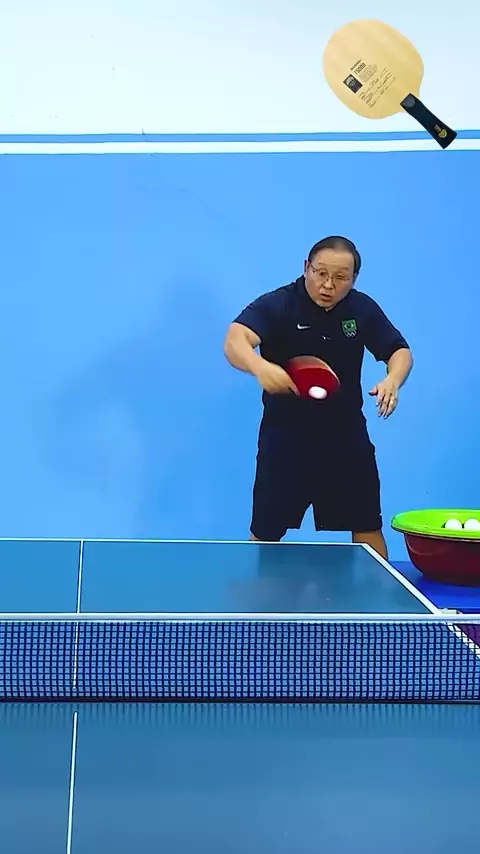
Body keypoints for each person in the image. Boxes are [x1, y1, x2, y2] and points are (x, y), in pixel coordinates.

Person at [223, 235, 412, 559]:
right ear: (306, 267)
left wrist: (392, 380)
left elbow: (399, 351)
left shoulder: (361, 308)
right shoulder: (279, 304)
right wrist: (259, 367)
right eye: (320, 273)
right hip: (285, 439)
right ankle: (258, 592)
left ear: (353, 278)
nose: (328, 285)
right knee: (266, 531)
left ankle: (378, 592)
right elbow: (235, 338)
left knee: (367, 524)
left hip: (346, 437)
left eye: (340, 277)